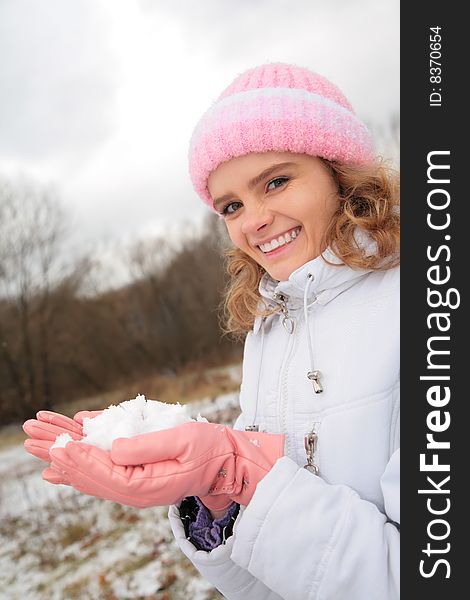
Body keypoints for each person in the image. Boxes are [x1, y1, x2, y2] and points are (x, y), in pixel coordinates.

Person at [23, 63, 400, 599]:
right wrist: (216, 494)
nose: (254, 220)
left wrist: (238, 467)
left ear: (340, 172)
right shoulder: (269, 331)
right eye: (231, 206)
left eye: (276, 181)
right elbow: (269, 582)